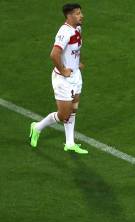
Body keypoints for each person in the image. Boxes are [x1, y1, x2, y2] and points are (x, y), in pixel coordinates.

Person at [29, 3, 88, 154]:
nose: (81, 15)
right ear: (69, 16)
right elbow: (54, 54)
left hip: (75, 75)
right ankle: (37, 127)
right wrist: (63, 70)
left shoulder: (77, 29)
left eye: (80, 13)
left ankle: (69, 143)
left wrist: (76, 63)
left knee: (74, 109)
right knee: (63, 115)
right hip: (63, 79)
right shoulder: (64, 32)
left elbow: (73, 51)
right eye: (77, 13)